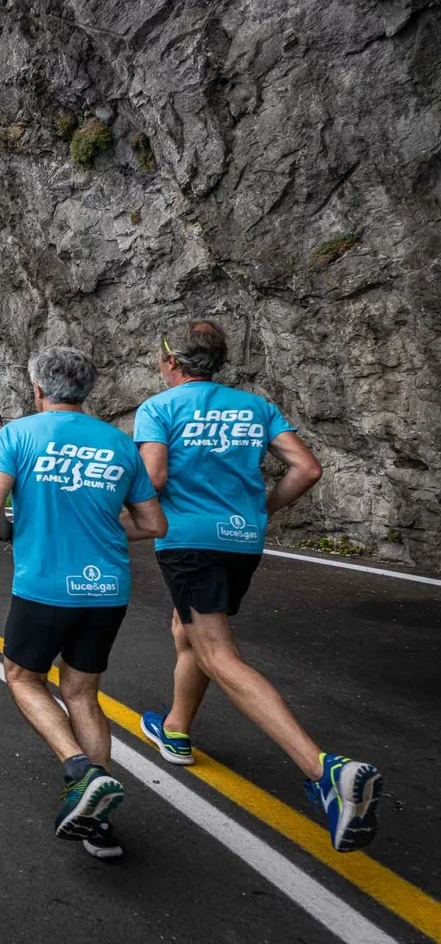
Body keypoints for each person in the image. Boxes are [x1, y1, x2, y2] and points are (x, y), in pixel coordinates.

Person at [134, 320, 382, 852]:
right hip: (241, 541)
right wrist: (262, 509)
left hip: (189, 541)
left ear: (170, 360)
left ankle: (324, 771)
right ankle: (175, 729)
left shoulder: (159, 408)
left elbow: (153, 479)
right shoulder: (255, 407)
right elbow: (307, 468)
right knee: (188, 628)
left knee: (218, 654)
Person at [0, 346, 166, 860]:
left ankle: (79, 770)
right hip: (107, 589)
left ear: (38, 388)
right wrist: (103, 528)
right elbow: (153, 524)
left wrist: (9, 532)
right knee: (82, 693)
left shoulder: (17, 434)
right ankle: (98, 822)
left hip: (44, 586)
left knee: (23, 678)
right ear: (87, 390)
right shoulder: (118, 442)